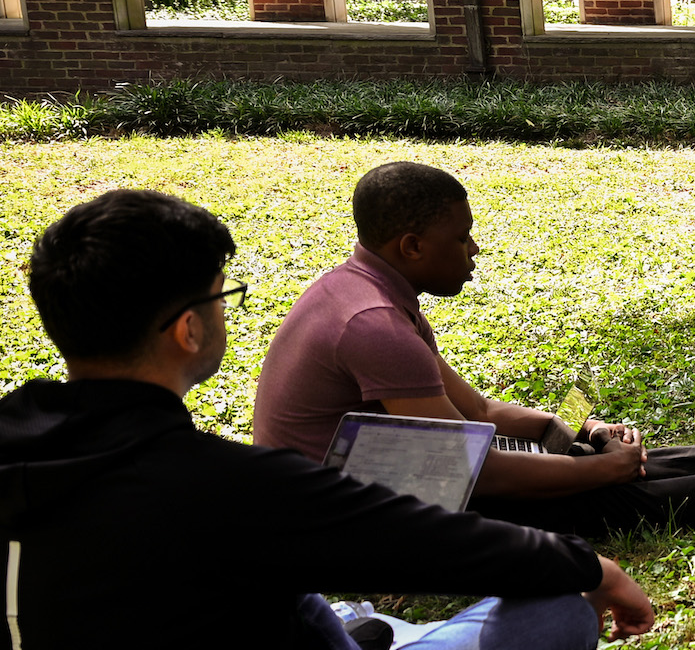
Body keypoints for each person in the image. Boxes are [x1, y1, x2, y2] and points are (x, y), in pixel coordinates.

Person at [0, 189, 654, 648]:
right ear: (188, 329)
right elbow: (433, 541)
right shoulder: (227, 487)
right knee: (559, 611)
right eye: (223, 296)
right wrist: (594, 569)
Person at [253, 161, 695, 538]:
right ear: (412, 246)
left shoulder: (366, 293)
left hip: (387, 481)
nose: (474, 251)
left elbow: (478, 413)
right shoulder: (374, 325)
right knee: (602, 491)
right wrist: (598, 470)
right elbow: (467, 469)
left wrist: (578, 429)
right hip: (359, 524)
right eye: (462, 239)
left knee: (593, 456)